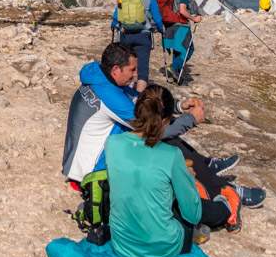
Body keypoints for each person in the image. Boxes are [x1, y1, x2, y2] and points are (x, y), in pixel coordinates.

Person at [62, 44, 263, 213]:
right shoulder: (109, 96)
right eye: (132, 70)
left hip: (85, 159)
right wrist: (190, 120)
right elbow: (152, 128)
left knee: (166, 138)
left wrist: (178, 106)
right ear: (116, 69)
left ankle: (206, 167)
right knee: (165, 142)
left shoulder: (100, 75)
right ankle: (225, 190)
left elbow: (140, 103)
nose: (135, 75)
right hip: (91, 173)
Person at [105, 84, 237, 257]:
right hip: (163, 246)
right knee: (195, 205)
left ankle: (222, 203)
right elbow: (192, 214)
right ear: (166, 121)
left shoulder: (112, 143)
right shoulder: (171, 155)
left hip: (122, 243)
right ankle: (226, 208)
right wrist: (189, 179)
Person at [112, 0, 164, 90]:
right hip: (143, 36)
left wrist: (115, 25)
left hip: (125, 36)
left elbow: (117, 15)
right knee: (142, 70)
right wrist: (161, 29)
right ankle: (138, 99)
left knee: (126, 66)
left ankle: (126, 94)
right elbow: (157, 18)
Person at [157, 0, 202, 82]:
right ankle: (174, 67)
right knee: (188, 49)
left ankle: (175, 73)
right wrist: (193, 18)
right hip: (181, 25)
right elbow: (182, 10)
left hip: (170, 25)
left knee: (178, 49)